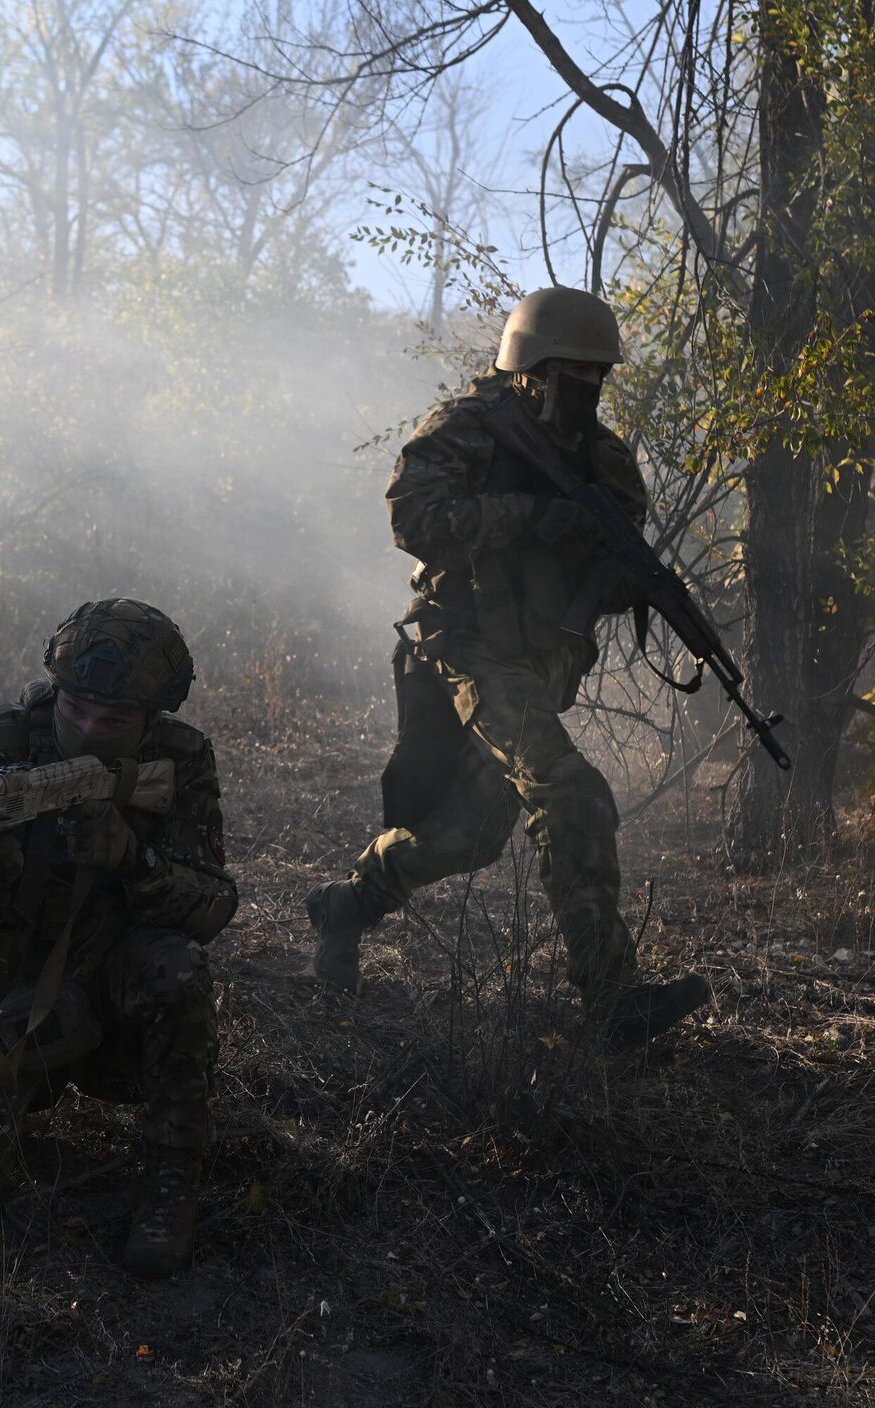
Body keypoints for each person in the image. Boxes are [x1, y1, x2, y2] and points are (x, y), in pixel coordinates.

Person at [304, 286, 710, 1046]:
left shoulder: (604, 459)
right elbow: (411, 518)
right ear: (531, 367)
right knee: (570, 793)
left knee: (470, 835)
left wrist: (626, 580)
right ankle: (611, 998)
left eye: (599, 374)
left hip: (537, 660)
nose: (589, 386)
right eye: (573, 372)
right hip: (464, 646)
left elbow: (610, 563)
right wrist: (528, 517)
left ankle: (345, 905)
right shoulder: (470, 428)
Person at [0, 599, 238, 1278]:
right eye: (75, 711)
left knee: (179, 969)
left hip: (110, 983)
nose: (88, 730)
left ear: (150, 718)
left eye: (113, 722)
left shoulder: (179, 757)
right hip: (3, 981)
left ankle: (170, 1181)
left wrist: (134, 860)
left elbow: (213, 907)